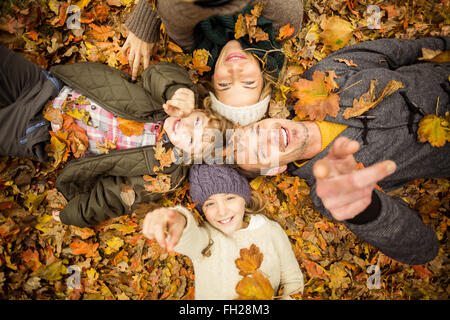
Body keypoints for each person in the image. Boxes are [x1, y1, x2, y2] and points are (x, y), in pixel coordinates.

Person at [229, 36, 450, 265]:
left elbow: (399, 50)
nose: (268, 138)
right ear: (276, 169)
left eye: (256, 131)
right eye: (260, 153)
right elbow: (423, 249)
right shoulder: (331, 190)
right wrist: (366, 209)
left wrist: (444, 47)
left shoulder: (321, 79)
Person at [0, 45, 231, 227]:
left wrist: (76, 213)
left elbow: (115, 196)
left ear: (188, 156)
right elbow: (156, 74)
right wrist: (178, 91)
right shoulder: (168, 100)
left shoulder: (164, 171)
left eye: (192, 140)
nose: (187, 128)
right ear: (200, 108)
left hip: (42, 130)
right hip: (52, 87)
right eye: (198, 121)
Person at [122, 0, 304, 125]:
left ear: (212, 80)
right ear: (264, 76)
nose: (234, 70)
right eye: (249, 83)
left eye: (224, 84)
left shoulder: (193, 40)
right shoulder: (283, 23)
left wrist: (150, 17)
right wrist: (149, 15)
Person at [142, 164, 304, 299]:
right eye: (210, 204)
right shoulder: (207, 238)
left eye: (230, 198)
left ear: (244, 198)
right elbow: (189, 238)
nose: (221, 211)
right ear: (202, 210)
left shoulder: (270, 230)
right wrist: (177, 220)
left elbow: (293, 280)